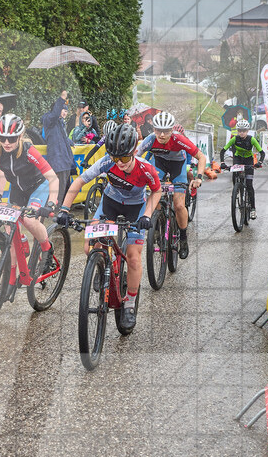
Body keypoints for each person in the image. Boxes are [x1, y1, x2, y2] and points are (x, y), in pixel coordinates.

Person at [56, 123, 161, 329]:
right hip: (110, 204)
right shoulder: (107, 162)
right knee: (90, 246)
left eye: (123, 158)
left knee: (132, 258)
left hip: (135, 208)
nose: (119, 163)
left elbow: (156, 191)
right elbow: (78, 183)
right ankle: (103, 266)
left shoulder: (145, 169)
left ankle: (129, 303)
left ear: (133, 152)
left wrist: (147, 215)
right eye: (115, 158)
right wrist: (64, 210)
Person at [0, 114, 60, 275]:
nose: (6, 143)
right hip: (17, 189)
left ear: (20, 136)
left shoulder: (29, 150)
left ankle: (47, 249)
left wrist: (51, 204)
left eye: (12, 139)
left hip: (38, 186)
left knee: (29, 220)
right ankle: (11, 277)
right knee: (9, 230)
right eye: (2, 137)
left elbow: (52, 177)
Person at [136, 110, 205, 257]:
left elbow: (201, 156)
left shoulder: (179, 139)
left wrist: (198, 177)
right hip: (159, 164)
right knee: (156, 198)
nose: (161, 135)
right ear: (153, 129)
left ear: (172, 130)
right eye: (158, 131)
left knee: (179, 204)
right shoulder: (149, 140)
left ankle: (184, 238)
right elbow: (134, 157)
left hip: (177, 167)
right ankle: (158, 227)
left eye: (166, 131)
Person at [220, 117, 263, 219]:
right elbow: (222, 151)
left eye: (244, 131)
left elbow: (262, 153)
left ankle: (253, 209)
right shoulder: (234, 139)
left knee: (249, 185)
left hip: (248, 160)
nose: (242, 133)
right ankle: (236, 190)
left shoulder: (251, 139)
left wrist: (259, 162)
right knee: (235, 172)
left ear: (247, 131)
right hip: (238, 159)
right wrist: (222, 163)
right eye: (240, 131)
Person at [41, 91, 75, 205]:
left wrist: (70, 142)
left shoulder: (60, 122)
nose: (64, 112)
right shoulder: (49, 119)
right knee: (58, 188)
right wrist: (62, 97)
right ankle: (56, 208)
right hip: (58, 160)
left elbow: (61, 137)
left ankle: (61, 207)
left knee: (65, 186)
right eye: (62, 108)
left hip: (65, 160)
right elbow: (55, 114)